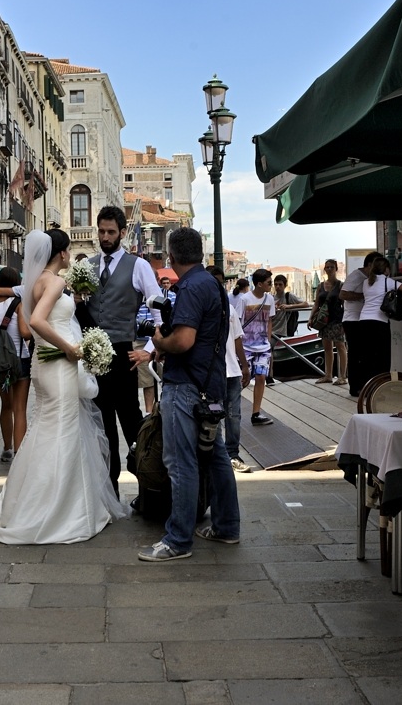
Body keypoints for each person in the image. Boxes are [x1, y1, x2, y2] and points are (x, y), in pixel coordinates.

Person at [0, 229, 131, 544]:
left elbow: (27, 319)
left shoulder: (34, 283)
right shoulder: (55, 282)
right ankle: (58, 509)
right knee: (63, 430)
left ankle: (34, 502)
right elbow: (36, 322)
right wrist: (69, 348)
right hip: (58, 365)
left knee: (47, 429)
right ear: (61, 253)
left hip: (43, 367)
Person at [139, 228, 240, 561]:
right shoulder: (212, 284)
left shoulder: (191, 288)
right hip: (210, 383)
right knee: (216, 458)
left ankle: (178, 540)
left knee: (180, 462)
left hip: (186, 386)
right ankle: (227, 527)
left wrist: (158, 341)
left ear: (171, 256)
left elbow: (182, 341)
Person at [79, 205, 162, 493]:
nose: (105, 237)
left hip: (125, 354)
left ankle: (148, 486)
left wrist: (150, 349)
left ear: (122, 233)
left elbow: (159, 312)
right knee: (102, 425)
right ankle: (109, 492)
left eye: (111, 232)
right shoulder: (86, 266)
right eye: (101, 231)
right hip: (93, 359)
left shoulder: (137, 266)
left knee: (132, 423)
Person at [209, 266, 252, 473]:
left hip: (231, 371)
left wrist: (244, 366)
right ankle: (215, 455)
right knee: (212, 414)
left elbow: (237, 339)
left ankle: (232, 453)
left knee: (234, 415)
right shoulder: (202, 307)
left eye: (219, 281)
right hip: (210, 373)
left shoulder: (229, 308)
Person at [0, 266, 32, 461]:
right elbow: (24, 333)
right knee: (19, 407)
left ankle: (6, 448)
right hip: (20, 360)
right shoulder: (18, 303)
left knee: (6, 405)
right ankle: (19, 453)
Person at [356, 256, 402, 386]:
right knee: (382, 357)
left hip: (363, 321)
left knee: (367, 357)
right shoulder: (387, 281)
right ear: (386, 269)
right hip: (379, 323)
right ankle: (380, 386)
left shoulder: (367, 282)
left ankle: (367, 386)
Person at [340, 251, 384, 398]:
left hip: (362, 320)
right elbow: (343, 294)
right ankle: (355, 387)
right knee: (355, 354)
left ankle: (363, 385)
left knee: (364, 355)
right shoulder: (356, 276)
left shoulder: (370, 279)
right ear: (370, 264)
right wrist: (365, 296)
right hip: (352, 320)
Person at [236, 269, 276, 426]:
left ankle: (256, 413)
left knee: (261, 377)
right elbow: (239, 322)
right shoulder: (245, 299)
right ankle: (231, 408)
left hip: (263, 346)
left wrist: (269, 338)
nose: (271, 285)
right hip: (246, 345)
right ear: (259, 284)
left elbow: (270, 321)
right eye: (269, 283)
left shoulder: (269, 299)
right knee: (242, 380)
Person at [310, 260, 348, 386]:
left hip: (337, 319)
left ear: (336, 268)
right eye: (327, 267)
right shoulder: (321, 286)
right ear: (324, 269)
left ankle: (342, 376)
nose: (329, 269)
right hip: (324, 320)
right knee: (327, 347)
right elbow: (316, 304)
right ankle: (328, 375)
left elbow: (344, 304)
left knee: (340, 346)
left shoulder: (340, 285)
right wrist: (311, 318)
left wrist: (345, 320)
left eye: (331, 267)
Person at [268, 274, 309, 385]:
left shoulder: (288, 296)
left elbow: (305, 304)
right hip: (271, 328)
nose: (278, 287)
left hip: (280, 329)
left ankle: (269, 375)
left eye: (280, 284)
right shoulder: (270, 298)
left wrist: (289, 307)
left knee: (269, 347)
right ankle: (267, 374)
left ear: (285, 285)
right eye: (276, 284)